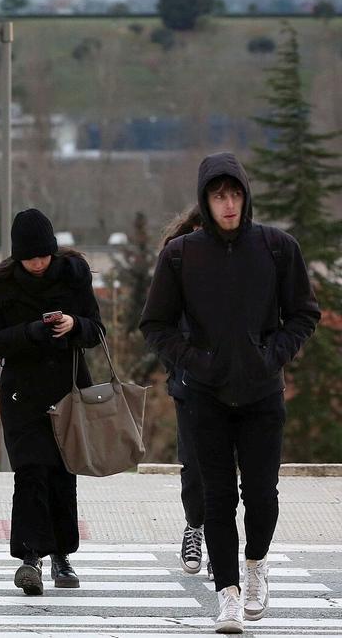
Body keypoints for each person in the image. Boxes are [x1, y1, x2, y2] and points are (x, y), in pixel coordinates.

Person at [140, 152, 320, 633]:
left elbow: (304, 313)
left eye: (235, 193)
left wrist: (272, 354)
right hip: (206, 398)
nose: (228, 203)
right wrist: (197, 361)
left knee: (261, 496)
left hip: (262, 395)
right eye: (218, 195)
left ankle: (256, 566)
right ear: (205, 199)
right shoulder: (180, 255)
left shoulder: (278, 248)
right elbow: (154, 323)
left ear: (246, 196)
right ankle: (228, 596)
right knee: (218, 500)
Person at [0, 208, 104, 596]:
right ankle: (30, 557)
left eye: (42, 256)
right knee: (30, 472)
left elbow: (97, 330)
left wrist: (74, 325)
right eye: (29, 257)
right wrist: (32, 331)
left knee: (62, 475)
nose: (36, 264)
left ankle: (62, 556)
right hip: (22, 394)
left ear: (52, 251)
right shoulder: (0, 285)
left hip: (67, 390)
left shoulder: (74, 276)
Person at [156, 206, 212, 581]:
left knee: (229, 468)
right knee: (193, 463)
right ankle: (194, 528)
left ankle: (220, 539)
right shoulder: (173, 264)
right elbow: (159, 323)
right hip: (189, 381)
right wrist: (179, 364)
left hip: (236, 381)